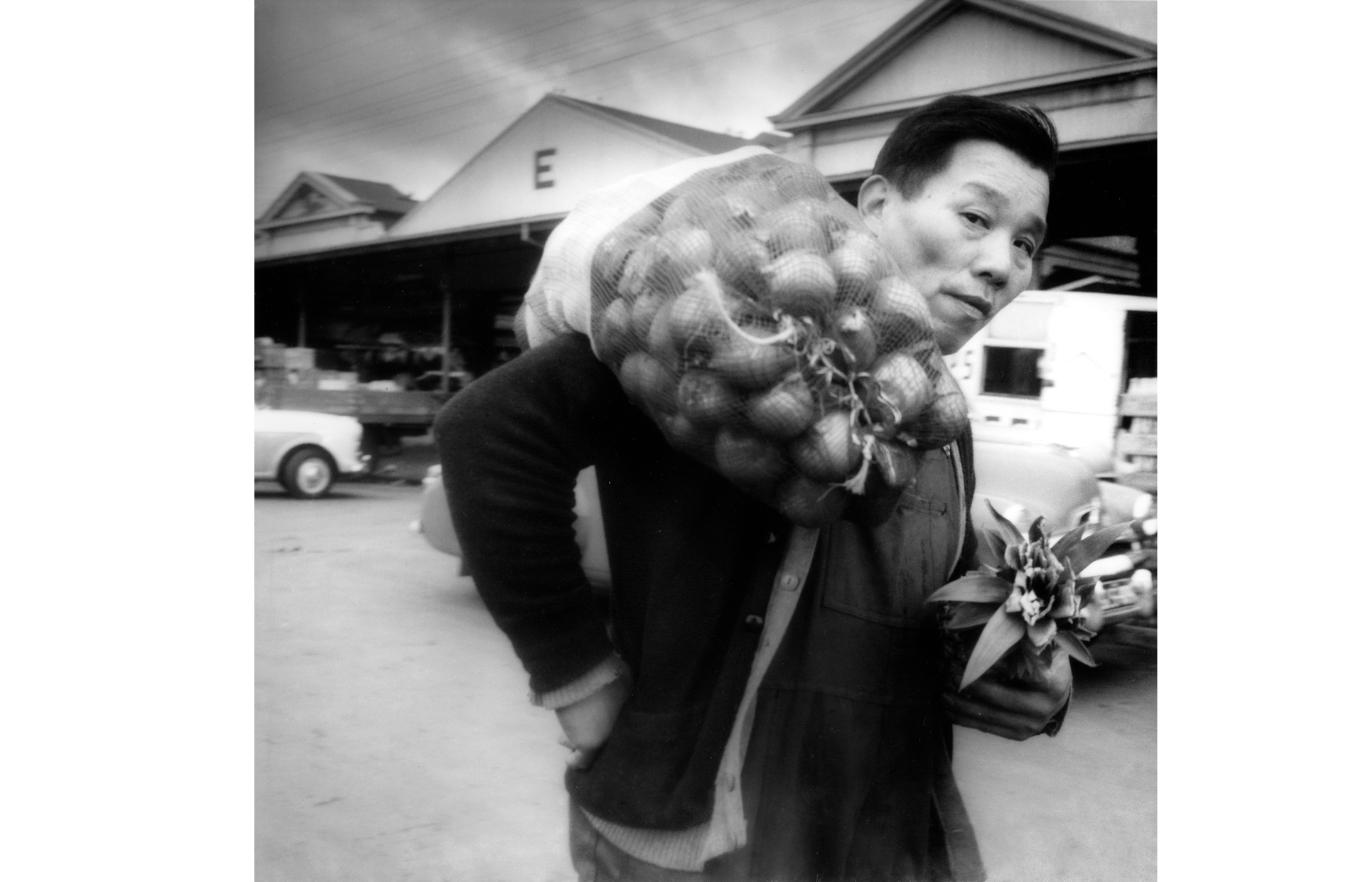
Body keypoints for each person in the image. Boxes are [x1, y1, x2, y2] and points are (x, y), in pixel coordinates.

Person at [435, 94, 1069, 882]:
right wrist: (575, 678)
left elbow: (927, 614)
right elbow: (484, 434)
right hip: (707, 846)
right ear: (876, 204)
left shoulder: (943, 422)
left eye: (1026, 242)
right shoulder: (726, 344)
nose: (1001, 263)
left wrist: (1030, 678)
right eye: (977, 219)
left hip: (882, 840)